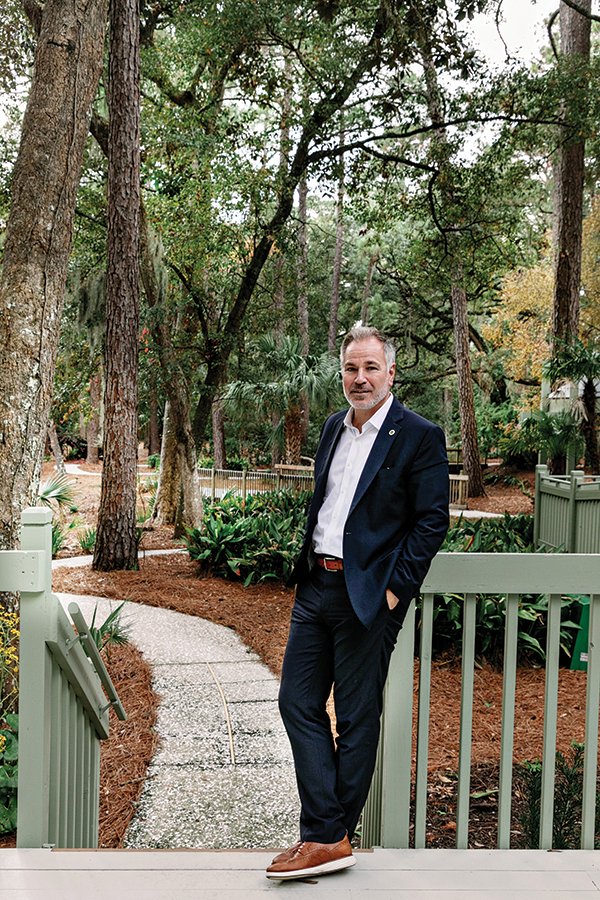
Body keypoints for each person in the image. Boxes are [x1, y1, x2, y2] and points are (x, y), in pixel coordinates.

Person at [266, 325, 449, 881]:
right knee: (296, 702)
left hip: (369, 596)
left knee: (356, 717)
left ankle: (324, 837)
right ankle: (329, 833)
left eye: (371, 368)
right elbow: (327, 503)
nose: (360, 378)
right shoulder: (332, 428)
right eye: (351, 368)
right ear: (341, 372)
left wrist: (395, 590)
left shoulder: (417, 435)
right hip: (316, 586)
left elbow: (432, 521)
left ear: (390, 373)